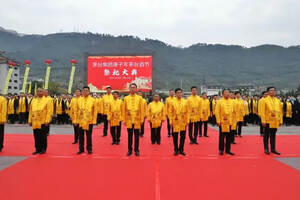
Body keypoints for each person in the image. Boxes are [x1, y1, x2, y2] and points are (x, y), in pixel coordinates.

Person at [123, 83, 145, 156]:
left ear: (136, 89)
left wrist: (142, 120)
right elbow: (124, 110)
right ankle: (129, 150)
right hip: (129, 119)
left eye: (134, 88)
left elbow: (142, 110)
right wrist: (124, 120)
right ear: (129, 89)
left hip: (137, 119)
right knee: (129, 136)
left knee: (136, 136)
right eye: (131, 87)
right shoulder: (126, 98)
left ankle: (136, 150)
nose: (132, 89)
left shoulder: (140, 98)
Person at [28, 88, 52, 155]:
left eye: (41, 91)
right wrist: (30, 120)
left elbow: (49, 111)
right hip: (35, 121)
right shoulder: (33, 100)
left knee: (43, 136)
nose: (39, 92)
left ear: (43, 92)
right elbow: (30, 111)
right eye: (38, 91)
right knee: (36, 136)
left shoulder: (47, 100)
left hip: (43, 121)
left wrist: (47, 120)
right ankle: (37, 149)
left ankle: (43, 149)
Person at [260, 87, 282, 155]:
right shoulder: (264, 100)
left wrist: (280, 120)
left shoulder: (277, 100)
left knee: (273, 135)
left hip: (275, 121)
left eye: (274, 90)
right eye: (271, 90)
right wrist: (263, 121)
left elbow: (280, 111)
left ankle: (273, 149)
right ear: (268, 92)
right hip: (268, 121)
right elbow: (262, 112)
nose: (273, 92)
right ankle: (266, 148)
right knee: (266, 135)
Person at [77, 86, 97, 154]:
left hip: (89, 121)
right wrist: (76, 120)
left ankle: (89, 149)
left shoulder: (93, 100)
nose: (85, 92)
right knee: (81, 136)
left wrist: (94, 121)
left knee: (89, 136)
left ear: (89, 91)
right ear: (82, 92)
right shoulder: (79, 100)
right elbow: (77, 110)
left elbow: (95, 111)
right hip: (81, 121)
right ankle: (81, 149)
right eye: (84, 90)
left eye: (86, 90)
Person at [215, 89, 235, 156]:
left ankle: (228, 150)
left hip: (230, 122)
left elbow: (234, 112)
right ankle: (221, 150)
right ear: (222, 94)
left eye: (228, 92)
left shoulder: (232, 101)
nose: (227, 93)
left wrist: (234, 121)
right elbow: (217, 112)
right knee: (222, 137)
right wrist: (218, 120)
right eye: (225, 92)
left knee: (229, 137)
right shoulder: (219, 101)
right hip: (222, 122)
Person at [170, 88, 188, 156]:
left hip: (183, 120)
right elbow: (170, 112)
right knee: (175, 136)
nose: (179, 94)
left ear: (182, 93)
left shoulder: (185, 101)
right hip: (175, 120)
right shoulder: (172, 101)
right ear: (175, 94)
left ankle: (181, 149)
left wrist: (187, 120)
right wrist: (171, 121)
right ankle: (175, 149)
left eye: (180, 92)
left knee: (183, 136)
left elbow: (188, 111)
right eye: (178, 92)